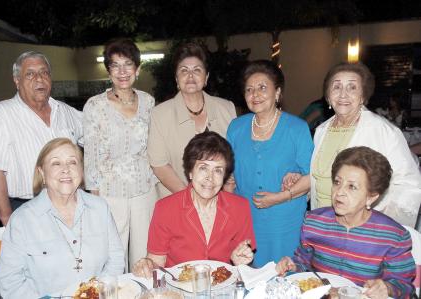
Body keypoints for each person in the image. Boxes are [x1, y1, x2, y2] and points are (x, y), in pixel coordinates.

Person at [277, 147, 416, 299]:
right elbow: (302, 262)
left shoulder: (393, 236)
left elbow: (404, 285)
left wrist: (387, 287)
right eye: (337, 182)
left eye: (352, 186)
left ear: (371, 197)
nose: (339, 192)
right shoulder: (314, 222)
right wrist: (293, 265)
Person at [0, 138, 124, 298]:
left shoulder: (100, 208)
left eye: (72, 162)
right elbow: (8, 283)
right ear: (42, 172)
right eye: (56, 163)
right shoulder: (22, 220)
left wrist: (98, 292)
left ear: (81, 170)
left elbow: (116, 259)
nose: (66, 169)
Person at [0, 51, 82, 225]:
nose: (39, 78)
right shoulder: (1, 114)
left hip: (71, 205)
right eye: (30, 74)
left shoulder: (66, 112)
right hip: (25, 209)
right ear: (17, 81)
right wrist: (8, 221)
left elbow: (97, 138)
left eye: (44, 72)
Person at [309, 62, 421, 227]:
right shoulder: (321, 131)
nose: (343, 94)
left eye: (352, 87)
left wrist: (377, 222)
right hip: (323, 225)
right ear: (328, 96)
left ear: (363, 96)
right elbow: (319, 178)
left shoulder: (382, 130)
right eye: (337, 87)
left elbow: (410, 183)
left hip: (363, 229)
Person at [226, 60, 313, 267]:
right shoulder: (236, 127)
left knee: (287, 281)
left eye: (262, 87)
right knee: (250, 280)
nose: (255, 94)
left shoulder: (297, 128)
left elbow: (312, 176)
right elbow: (228, 174)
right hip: (246, 221)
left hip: (285, 221)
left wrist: (280, 197)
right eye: (249, 89)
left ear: (277, 92)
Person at [133, 132, 255, 278]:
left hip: (224, 287)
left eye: (218, 170)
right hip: (180, 289)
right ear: (190, 171)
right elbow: (156, 263)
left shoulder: (239, 207)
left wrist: (240, 262)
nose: (210, 177)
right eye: (203, 168)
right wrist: (146, 265)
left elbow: (243, 257)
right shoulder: (165, 208)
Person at [83, 38, 157, 270]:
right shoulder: (95, 106)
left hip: (145, 190)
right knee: (112, 258)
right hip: (109, 193)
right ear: (108, 70)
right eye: (115, 65)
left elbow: (155, 148)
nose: (122, 71)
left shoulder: (148, 102)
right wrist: (94, 201)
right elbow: (91, 158)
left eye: (128, 64)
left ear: (137, 68)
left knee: (146, 257)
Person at [147, 42, 236, 199]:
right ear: (176, 78)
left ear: (206, 77)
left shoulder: (227, 108)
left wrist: (226, 193)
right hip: (178, 200)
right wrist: (192, 198)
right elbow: (159, 165)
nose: (190, 76)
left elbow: (234, 157)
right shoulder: (159, 114)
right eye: (184, 70)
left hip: (220, 200)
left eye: (197, 70)